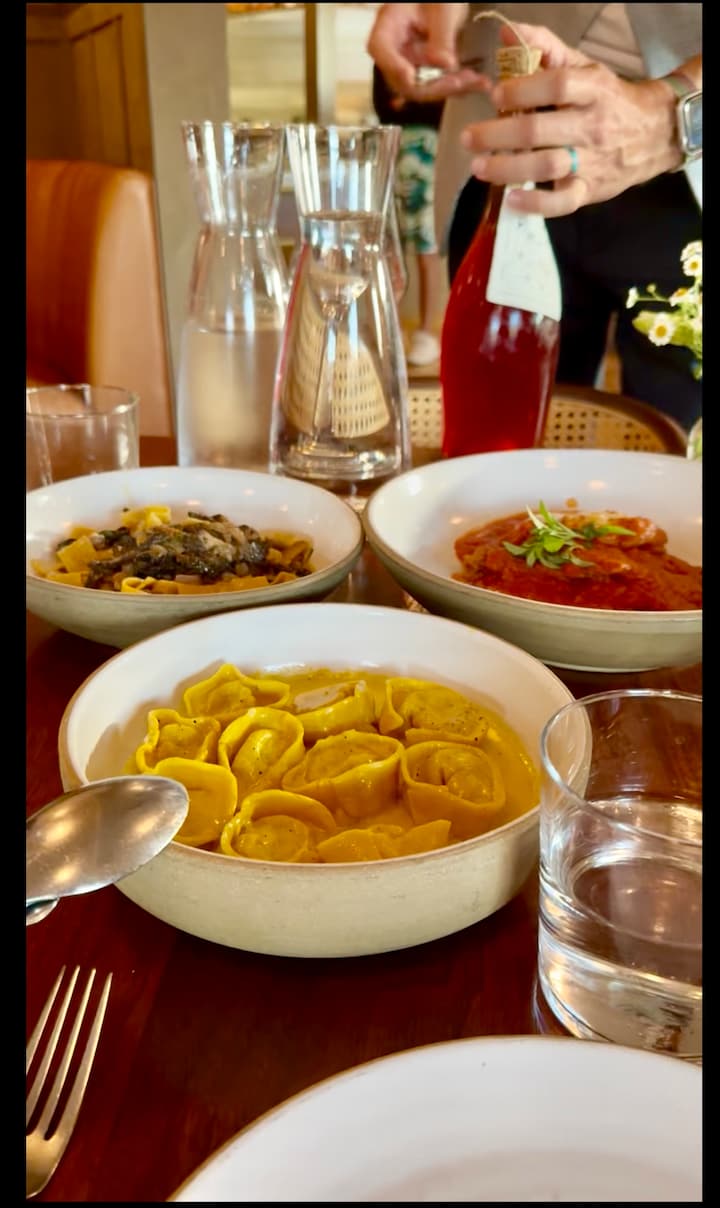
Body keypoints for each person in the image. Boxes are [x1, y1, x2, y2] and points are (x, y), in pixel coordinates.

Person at [366, 3, 702, 430]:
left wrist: (677, 117)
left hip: (690, 168)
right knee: (492, 436)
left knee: (679, 452)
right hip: (504, 144)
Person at [373, 63, 446, 367]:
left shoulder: (439, 59)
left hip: (428, 158)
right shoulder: (387, 59)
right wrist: (419, 95)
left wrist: (412, 96)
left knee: (427, 247)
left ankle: (427, 332)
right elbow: (384, 106)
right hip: (394, 154)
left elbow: (443, 106)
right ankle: (392, 330)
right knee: (389, 249)